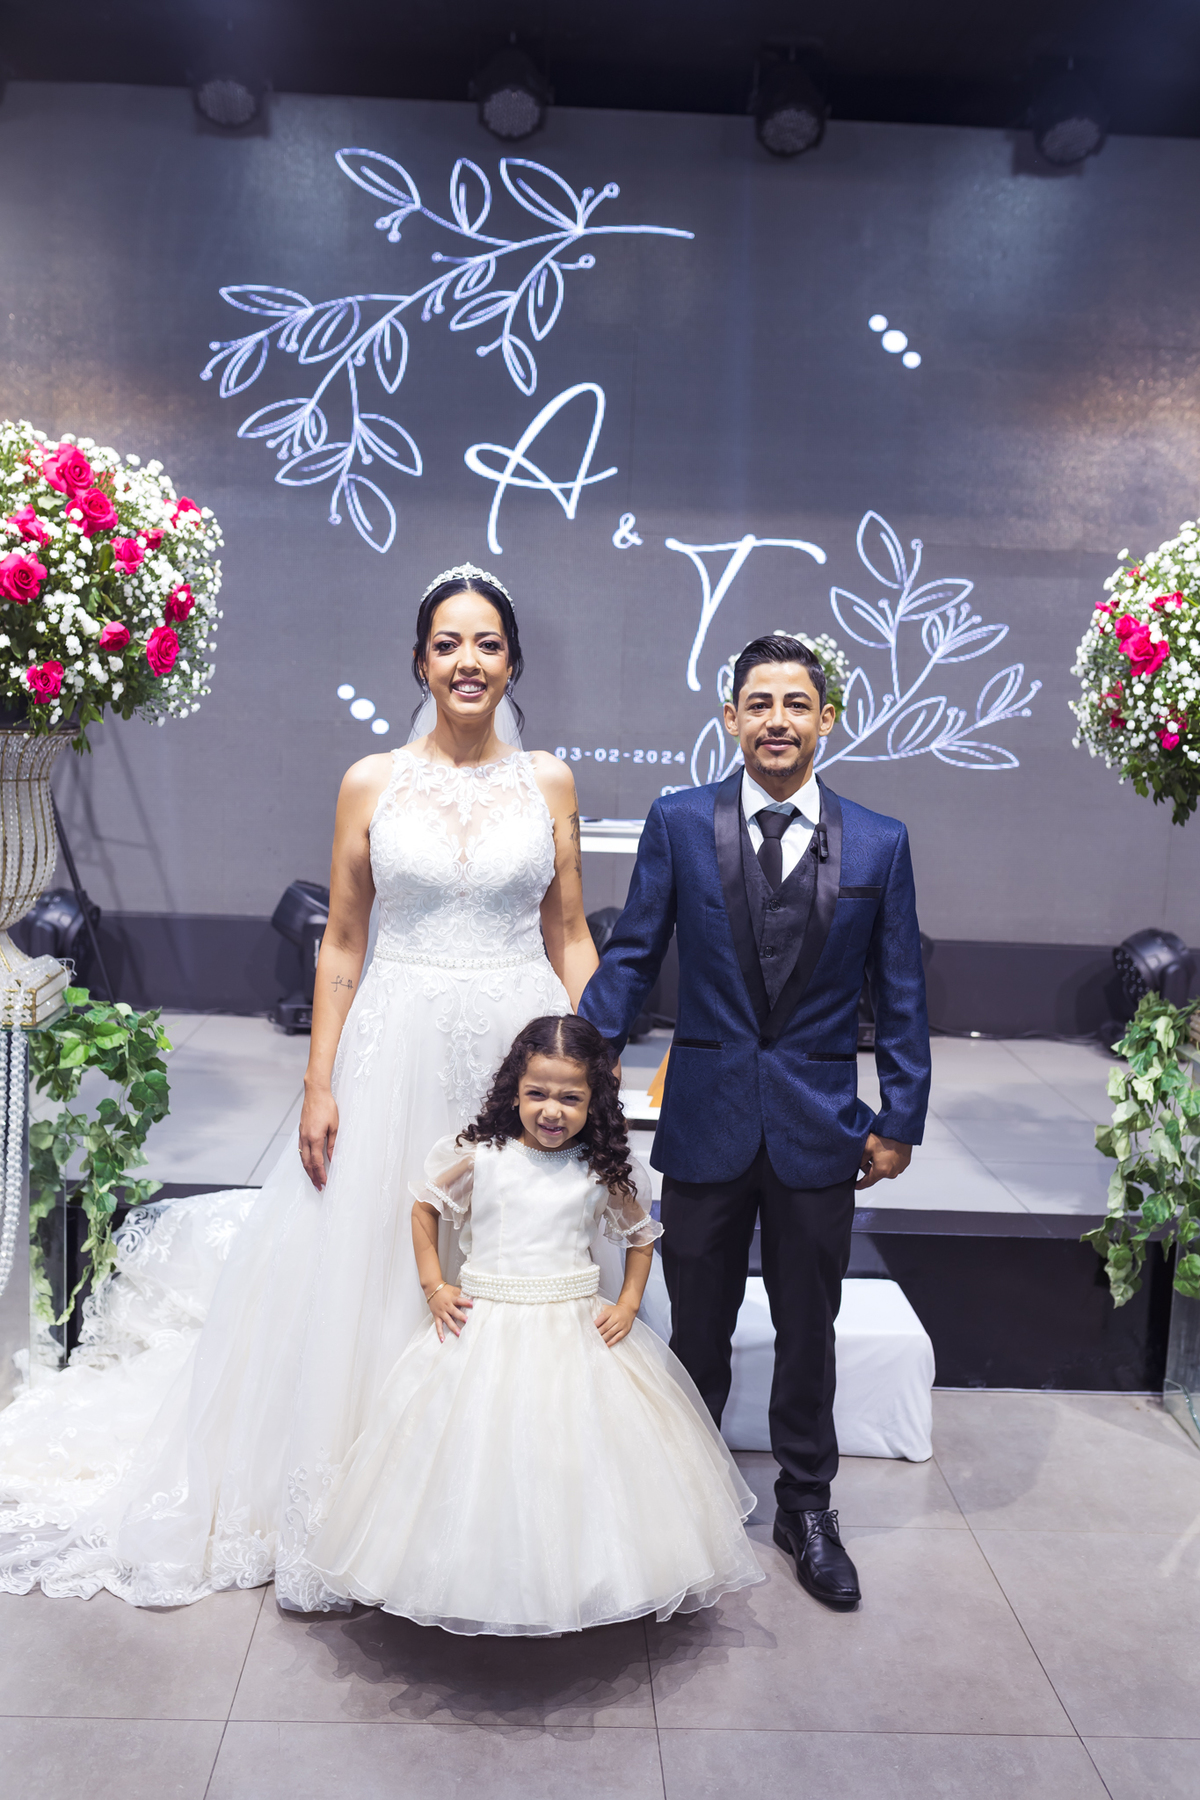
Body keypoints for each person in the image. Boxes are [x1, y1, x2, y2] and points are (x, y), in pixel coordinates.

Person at [0, 563, 600, 1610]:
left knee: (515, 1251)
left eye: (488, 644)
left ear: (514, 664)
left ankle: (503, 1496)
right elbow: (345, 943)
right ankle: (367, 1500)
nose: (467, 661)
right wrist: (319, 1081)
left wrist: (593, 1049)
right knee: (377, 1265)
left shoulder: (549, 781)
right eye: (447, 644)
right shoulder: (371, 780)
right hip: (396, 1044)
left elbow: (572, 930)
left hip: (519, 1049)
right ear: (419, 662)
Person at [578, 633, 931, 1613]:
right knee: (696, 1326)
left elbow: (901, 991)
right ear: (730, 718)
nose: (778, 720)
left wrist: (900, 1114)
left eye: (796, 704)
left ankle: (806, 1506)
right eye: (760, 704)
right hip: (708, 1114)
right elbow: (634, 954)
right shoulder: (680, 822)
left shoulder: (880, 842)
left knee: (810, 1328)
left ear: (827, 720)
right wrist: (576, 1061)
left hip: (822, 1125)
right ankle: (685, 1498)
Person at [309, 1014, 763, 1635]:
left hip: (573, 1329)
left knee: (570, 1462)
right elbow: (422, 1208)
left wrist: (628, 1303)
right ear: (514, 1091)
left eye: (571, 1098)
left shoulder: (599, 1169)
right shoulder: (481, 1157)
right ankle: (475, 1580)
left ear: (594, 1100)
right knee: (474, 1460)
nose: (552, 1111)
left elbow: (640, 1236)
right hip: (483, 1327)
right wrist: (434, 1285)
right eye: (537, 1094)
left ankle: (583, 1583)